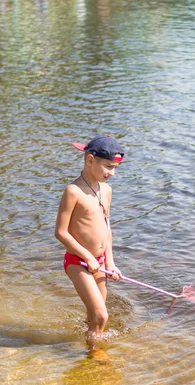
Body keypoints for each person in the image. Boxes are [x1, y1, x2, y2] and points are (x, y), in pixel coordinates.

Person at [55, 135, 125, 347]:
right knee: (102, 316)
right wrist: (87, 256)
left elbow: (107, 229)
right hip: (79, 262)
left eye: (115, 168)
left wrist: (110, 263)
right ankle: (95, 356)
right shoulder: (73, 191)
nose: (111, 173)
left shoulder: (107, 191)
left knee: (94, 315)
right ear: (90, 160)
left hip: (101, 262)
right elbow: (60, 232)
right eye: (108, 167)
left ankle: (88, 348)